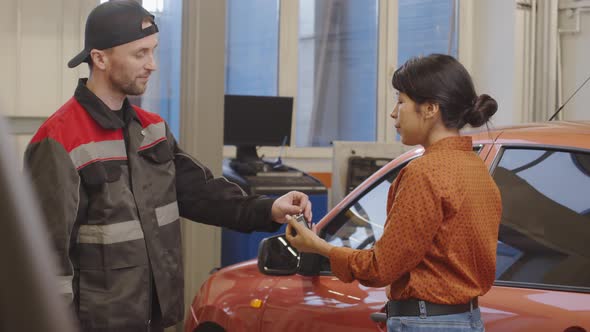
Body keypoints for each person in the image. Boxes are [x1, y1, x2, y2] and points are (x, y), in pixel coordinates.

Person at [23, 1, 311, 331]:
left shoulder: (152, 130)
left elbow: (200, 193)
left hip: (153, 318)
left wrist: (268, 209)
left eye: (153, 51)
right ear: (99, 58)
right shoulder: (60, 140)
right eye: (139, 54)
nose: (152, 65)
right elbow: (43, 256)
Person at [286, 54, 501, 332]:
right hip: (468, 320)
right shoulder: (477, 169)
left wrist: (319, 247)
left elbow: (381, 268)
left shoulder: (424, 172)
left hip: (427, 323)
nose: (393, 113)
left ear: (430, 109)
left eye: (401, 101)